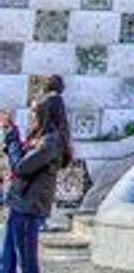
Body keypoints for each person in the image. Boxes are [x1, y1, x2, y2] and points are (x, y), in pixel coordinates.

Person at [3, 79, 71, 273]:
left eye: (35, 112)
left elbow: (21, 167)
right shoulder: (42, 138)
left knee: (27, 262)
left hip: (28, 206)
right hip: (20, 203)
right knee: (8, 260)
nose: (32, 116)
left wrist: (12, 136)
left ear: (46, 114)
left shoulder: (51, 142)